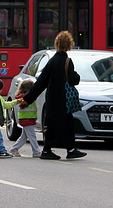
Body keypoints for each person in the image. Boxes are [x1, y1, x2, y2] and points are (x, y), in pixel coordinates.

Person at [22, 30, 86, 160]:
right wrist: (76, 76)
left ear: (56, 44)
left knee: (51, 125)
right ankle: (70, 149)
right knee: (67, 124)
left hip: (52, 98)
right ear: (69, 44)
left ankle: (50, 149)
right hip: (64, 99)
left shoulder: (51, 61)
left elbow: (41, 82)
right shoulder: (67, 61)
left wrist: (27, 99)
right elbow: (74, 80)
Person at [9, 80, 41, 158]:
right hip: (27, 119)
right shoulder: (27, 98)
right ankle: (36, 151)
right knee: (32, 136)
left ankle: (14, 148)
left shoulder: (22, 97)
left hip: (25, 119)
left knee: (24, 136)